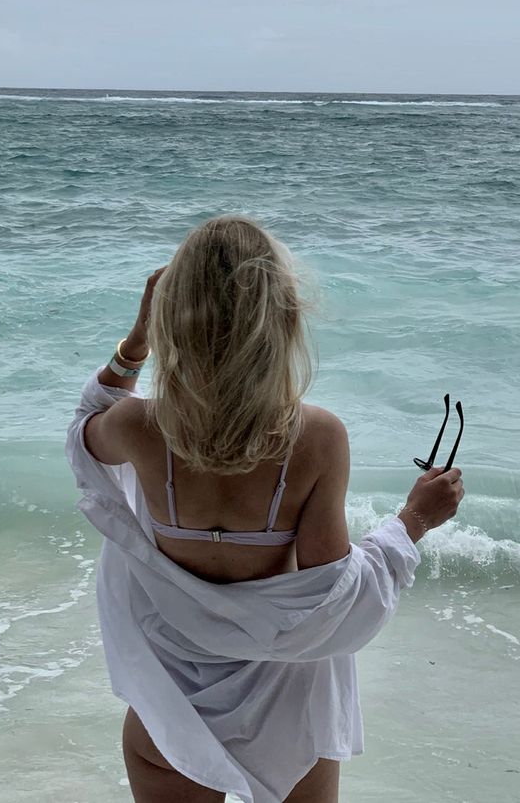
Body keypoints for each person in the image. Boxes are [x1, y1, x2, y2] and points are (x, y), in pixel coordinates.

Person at [65, 215, 464, 803]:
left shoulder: (138, 427)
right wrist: (415, 520)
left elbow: (81, 431)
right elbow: (330, 598)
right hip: (289, 708)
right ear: (282, 321)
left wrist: (135, 344)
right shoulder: (317, 437)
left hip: (171, 706)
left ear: (172, 317)